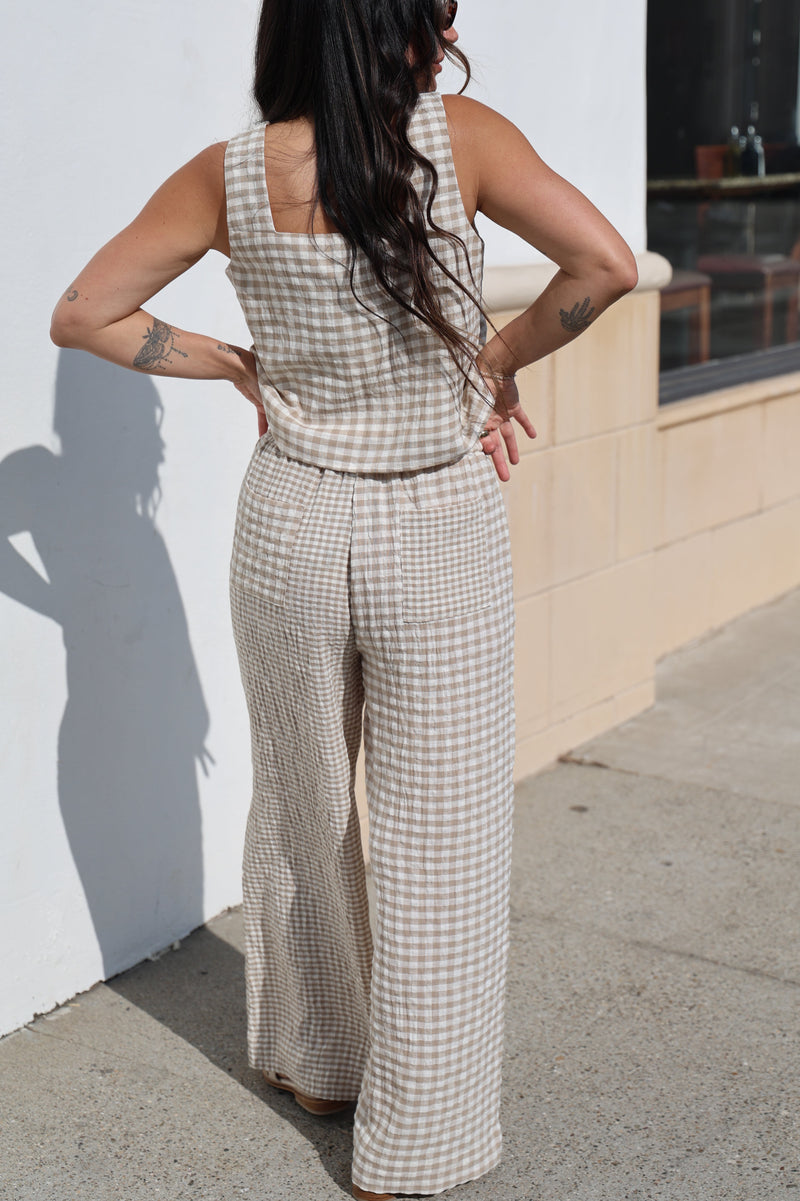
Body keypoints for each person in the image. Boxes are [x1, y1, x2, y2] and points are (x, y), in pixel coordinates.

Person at [50, 1, 637, 1196]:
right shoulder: (459, 137)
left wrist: (229, 362)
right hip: (434, 524)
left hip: (292, 525)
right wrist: (497, 359)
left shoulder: (223, 174)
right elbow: (606, 265)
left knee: (305, 805)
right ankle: (413, 1145)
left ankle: (321, 1061)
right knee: (443, 844)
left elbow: (84, 312)